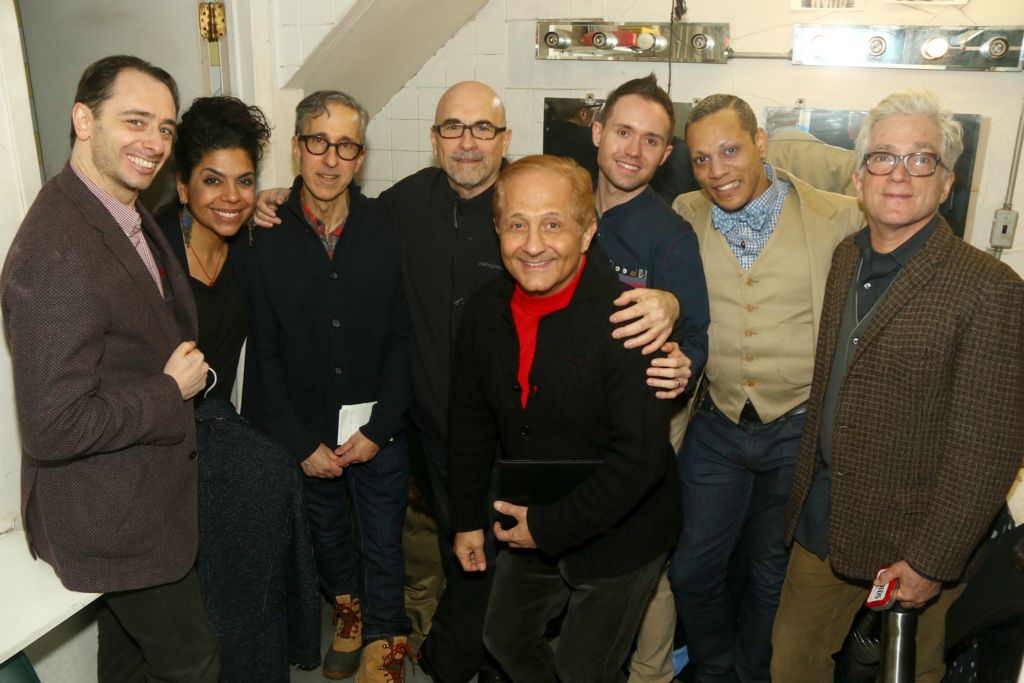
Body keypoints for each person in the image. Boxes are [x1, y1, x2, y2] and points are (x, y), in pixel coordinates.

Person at [254, 80, 690, 683]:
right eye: (452, 129)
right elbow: (336, 217)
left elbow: (636, 456)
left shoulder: (614, 309)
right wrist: (271, 198)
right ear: (434, 141)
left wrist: (667, 305)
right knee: (491, 603)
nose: (532, 243)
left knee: (578, 652)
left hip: (590, 498)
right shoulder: (402, 214)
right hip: (460, 445)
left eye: (482, 129)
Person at [771, 88, 1024, 683]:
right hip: (825, 520)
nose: (900, 174)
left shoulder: (989, 287)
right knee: (791, 664)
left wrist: (933, 557)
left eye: (921, 159)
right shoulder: (844, 259)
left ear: (946, 183)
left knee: (911, 673)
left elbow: (990, 445)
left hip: (917, 534)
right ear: (859, 177)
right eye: (883, 157)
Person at [1, 55, 219, 681]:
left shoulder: (115, 206)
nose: (154, 143)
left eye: (167, 128)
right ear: (83, 120)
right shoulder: (55, 250)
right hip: (112, 520)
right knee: (193, 662)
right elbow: (53, 426)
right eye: (135, 121)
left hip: (143, 498)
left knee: (126, 664)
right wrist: (168, 390)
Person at [448, 154, 681, 682]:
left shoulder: (629, 320)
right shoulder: (484, 312)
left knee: (583, 668)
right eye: (516, 225)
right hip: (535, 514)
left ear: (587, 231)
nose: (533, 244)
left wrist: (547, 528)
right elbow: (468, 423)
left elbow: (639, 461)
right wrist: (466, 519)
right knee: (503, 636)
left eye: (553, 224)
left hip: (624, 529)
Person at [669, 93, 863, 683]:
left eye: (730, 150)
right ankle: (713, 664)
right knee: (692, 569)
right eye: (701, 159)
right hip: (717, 421)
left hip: (798, 428)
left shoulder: (838, 217)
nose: (717, 171)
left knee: (769, 572)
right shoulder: (684, 214)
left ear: (761, 142)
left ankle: (753, 675)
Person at [245, 90, 414, 681]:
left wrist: (381, 427)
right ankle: (348, 613)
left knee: (384, 538)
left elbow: (403, 336)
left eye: (346, 145)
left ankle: (385, 640)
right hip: (306, 429)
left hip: (379, 429)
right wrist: (299, 441)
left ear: (360, 157)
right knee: (326, 533)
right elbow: (263, 350)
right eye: (318, 141)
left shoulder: (385, 225)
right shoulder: (261, 232)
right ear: (296, 148)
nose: (330, 158)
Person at [154, 96, 321, 680]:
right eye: (213, 181)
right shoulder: (153, 257)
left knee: (269, 492)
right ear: (181, 186)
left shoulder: (247, 245)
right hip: (159, 448)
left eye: (245, 181)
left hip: (218, 435)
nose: (231, 196)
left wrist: (275, 198)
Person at [589, 73, 709, 683]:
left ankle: (651, 673)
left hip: (648, 419)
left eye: (651, 140)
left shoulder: (670, 235)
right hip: (571, 415)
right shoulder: (561, 204)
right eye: (623, 131)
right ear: (597, 131)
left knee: (642, 558)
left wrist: (683, 364)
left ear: (666, 155)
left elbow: (695, 341)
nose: (633, 150)